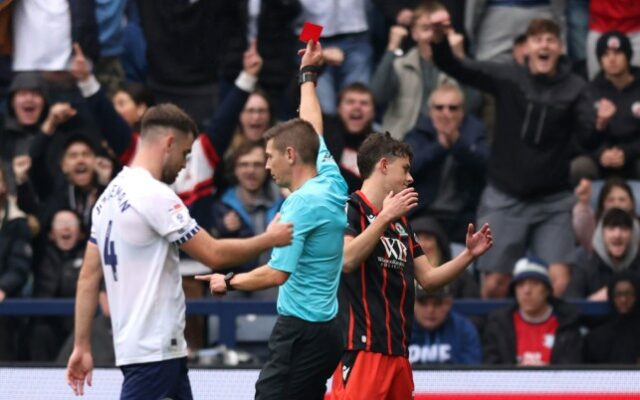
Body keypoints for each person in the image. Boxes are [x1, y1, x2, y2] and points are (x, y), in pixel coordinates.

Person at [65, 103, 293, 399]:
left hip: (145, 349)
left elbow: (87, 278)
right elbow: (213, 254)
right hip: (154, 351)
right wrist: (269, 238)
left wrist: (81, 345)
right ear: (169, 143)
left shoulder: (109, 195)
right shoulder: (154, 195)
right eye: (186, 153)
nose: (186, 164)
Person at [196, 40, 349, 400]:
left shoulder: (300, 204)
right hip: (328, 330)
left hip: (299, 331)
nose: (266, 165)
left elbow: (275, 274)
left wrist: (228, 282)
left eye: (269, 157)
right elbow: (313, 124)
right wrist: (307, 76)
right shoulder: (330, 177)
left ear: (291, 155)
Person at [430, 13, 608, 298]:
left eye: (551, 39)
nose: (544, 45)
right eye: (538, 39)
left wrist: (600, 125)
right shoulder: (509, 77)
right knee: (494, 285)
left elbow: (586, 140)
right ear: (526, 49)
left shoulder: (576, 88)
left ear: (560, 49)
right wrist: (439, 43)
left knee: (560, 284)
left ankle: (553, 342)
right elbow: (458, 67)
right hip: (505, 196)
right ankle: (496, 343)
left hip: (554, 200)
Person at [331, 132, 492, 399]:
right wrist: (383, 219)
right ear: (383, 165)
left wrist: (469, 255)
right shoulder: (349, 209)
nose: (410, 178)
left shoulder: (401, 223)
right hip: (363, 350)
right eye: (405, 169)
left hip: (399, 352)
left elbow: (428, 279)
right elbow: (347, 260)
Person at [404, 81, 488, 243]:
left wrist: (457, 143)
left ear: (462, 111)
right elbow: (407, 169)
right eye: (439, 107)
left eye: (453, 108)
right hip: (423, 213)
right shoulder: (419, 133)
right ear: (430, 111)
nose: (446, 113)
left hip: (464, 217)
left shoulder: (475, 132)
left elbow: (487, 166)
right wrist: (440, 147)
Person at [483, 257, 583, 365]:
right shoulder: (499, 324)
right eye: (520, 285)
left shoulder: (567, 322)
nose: (527, 291)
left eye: (534, 283)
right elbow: (491, 366)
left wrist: (547, 372)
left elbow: (572, 366)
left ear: (547, 290)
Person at [572, 31, 640, 182]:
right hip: (601, 159)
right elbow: (581, 140)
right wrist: (600, 151)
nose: (612, 59)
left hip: (634, 157)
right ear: (600, 60)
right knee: (579, 166)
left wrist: (627, 152)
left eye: (617, 53)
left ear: (628, 55)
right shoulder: (589, 91)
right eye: (605, 54)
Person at [567, 208, 640, 300]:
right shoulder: (585, 264)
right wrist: (593, 301)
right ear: (601, 234)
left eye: (624, 228)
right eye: (611, 228)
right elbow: (569, 307)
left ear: (632, 235)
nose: (617, 235)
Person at [324, 82, 377, 193]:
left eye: (364, 103)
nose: (357, 107)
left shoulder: (380, 147)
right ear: (339, 108)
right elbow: (297, 101)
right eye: (350, 102)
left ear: (373, 112)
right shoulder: (324, 129)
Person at [409, 285, 482, 365]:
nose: (430, 310)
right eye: (423, 303)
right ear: (413, 303)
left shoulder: (464, 329)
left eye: (437, 303)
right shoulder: (401, 330)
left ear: (448, 304)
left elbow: (472, 372)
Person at [584, 271, 640, 364]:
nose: (623, 300)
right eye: (618, 294)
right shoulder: (596, 339)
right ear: (611, 296)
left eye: (628, 294)